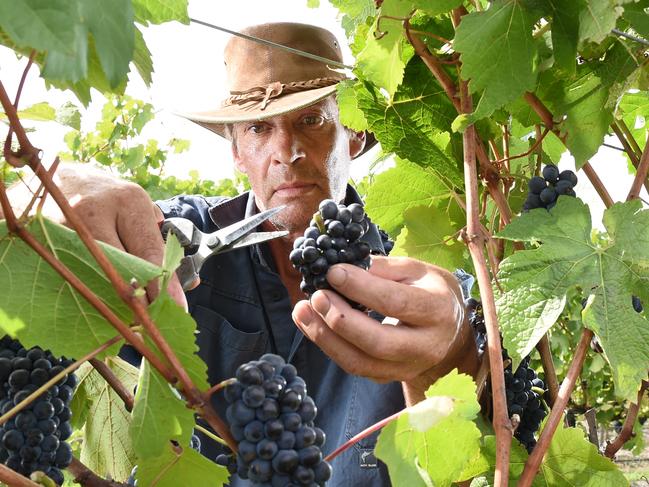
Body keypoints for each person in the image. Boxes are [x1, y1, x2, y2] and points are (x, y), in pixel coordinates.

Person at [3, 22, 479, 486]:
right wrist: (39, 195)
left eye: (311, 120)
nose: (285, 151)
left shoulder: (420, 292)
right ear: (235, 153)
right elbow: (41, 257)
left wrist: (453, 355)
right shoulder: (174, 237)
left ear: (353, 135)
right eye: (257, 129)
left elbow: (471, 460)